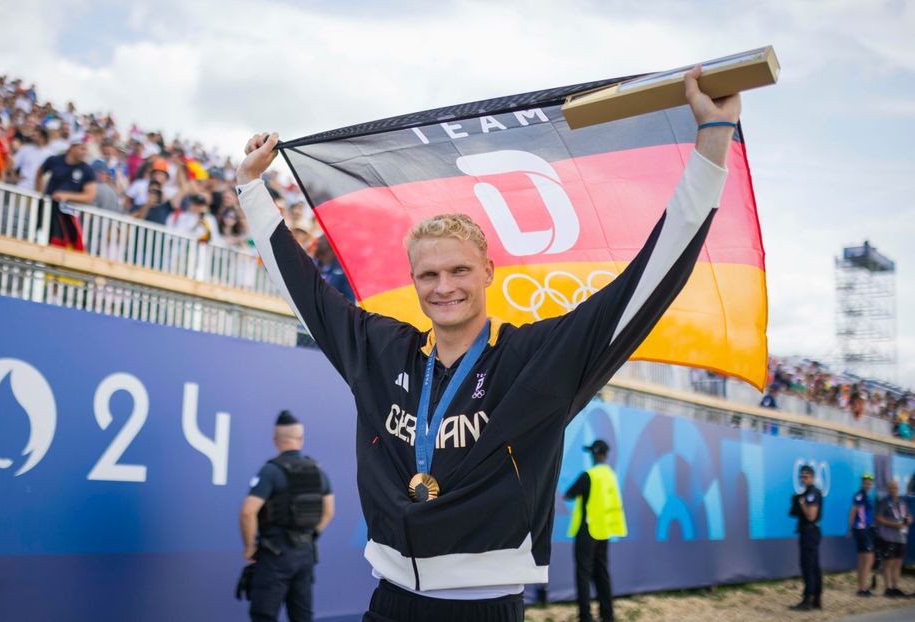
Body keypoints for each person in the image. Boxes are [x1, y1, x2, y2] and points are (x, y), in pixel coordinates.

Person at [235, 66, 739, 621]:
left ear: (488, 272)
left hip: (485, 608)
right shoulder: (381, 351)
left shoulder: (536, 359)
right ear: (413, 281)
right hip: (389, 602)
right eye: (428, 276)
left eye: (458, 270)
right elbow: (303, 291)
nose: (444, 287)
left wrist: (713, 137)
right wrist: (251, 189)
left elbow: (645, 283)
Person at [239, 410, 335, 622]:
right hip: (305, 555)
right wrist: (310, 537)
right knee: (301, 616)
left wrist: (249, 548)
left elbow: (248, 512)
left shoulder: (271, 471)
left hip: (275, 554)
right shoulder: (317, 471)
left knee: (264, 615)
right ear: (300, 439)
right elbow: (329, 511)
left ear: (276, 440)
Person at [564, 439, 626, 622]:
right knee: (602, 573)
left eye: (592, 452)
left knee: (583, 574)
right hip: (604, 532)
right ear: (605, 455)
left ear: (594, 454)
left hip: (587, 530)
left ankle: (585, 616)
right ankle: (607, 615)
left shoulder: (589, 475)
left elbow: (568, 494)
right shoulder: (610, 476)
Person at [36, 136, 95, 249]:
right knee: (40, 233)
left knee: (61, 242)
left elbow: (89, 196)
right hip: (48, 206)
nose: (84, 152)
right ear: (72, 147)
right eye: (82, 148)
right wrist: (39, 192)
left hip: (68, 213)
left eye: (85, 149)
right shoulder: (54, 160)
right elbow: (39, 172)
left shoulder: (87, 170)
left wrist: (66, 196)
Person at [788, 464, 823, 611]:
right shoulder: (808, 492)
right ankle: (816, 599)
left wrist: (801, 503)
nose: (803, 479)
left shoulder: (811, 493)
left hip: (809, 532)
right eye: (801, 476)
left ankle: (808, 600)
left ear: (812, 477)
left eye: (806, 476)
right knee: (813, 565)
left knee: (808, 566)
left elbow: (811, 516)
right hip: (809, 532)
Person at [875, 480, 911, 597]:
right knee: (888, 563)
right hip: (888, 537)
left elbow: (909, 516)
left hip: (901, 537)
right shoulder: (884, 502)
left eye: (895, 487)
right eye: (891, 487)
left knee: (897, 563)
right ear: (888, 489)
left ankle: (895, 587)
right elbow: (879, 518)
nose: (893, 490)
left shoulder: (902, 502)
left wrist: (908, 520)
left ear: (898, 488)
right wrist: (894, 524)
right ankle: (887, 588)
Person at [848, 473, 876, 597]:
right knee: (868, 559)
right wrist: (850, 528)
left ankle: (862, 587)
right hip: (861, 529)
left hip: (865, 529)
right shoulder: (860, 495)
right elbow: (853, 511)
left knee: (862, 559)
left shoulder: (867, 496)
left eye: (870, 483)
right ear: (862, 483)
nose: (868, 484)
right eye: (866, 482)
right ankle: (862, 588)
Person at [313, 235, 356, 303]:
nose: (319, 242)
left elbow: (350, 299)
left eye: (325, 253)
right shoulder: (312, 263)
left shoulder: (342, 269)